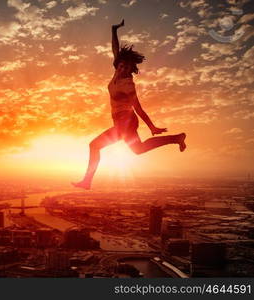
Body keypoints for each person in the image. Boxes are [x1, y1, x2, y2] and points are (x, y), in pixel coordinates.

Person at [72, 19, 186, 190]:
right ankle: (176, 138)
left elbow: (138, 108)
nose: (123, 69)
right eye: (122, 65)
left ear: (131, 70)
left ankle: (87, 181)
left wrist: (152, 127)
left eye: (127, 67)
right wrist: (113, 30)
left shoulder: (127, 84)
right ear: (118, 64)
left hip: (127, 121)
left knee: (94, 145)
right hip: (120, 121)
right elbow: (115, 50)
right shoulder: (117, 71)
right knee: (138, 150)